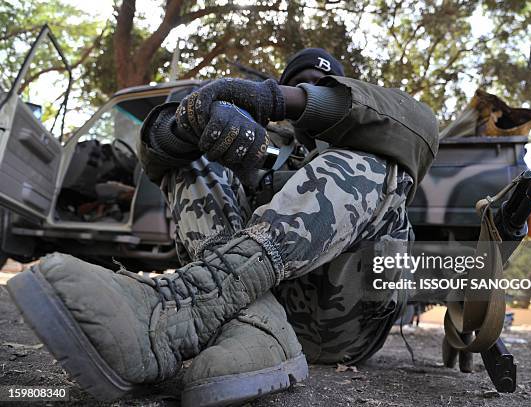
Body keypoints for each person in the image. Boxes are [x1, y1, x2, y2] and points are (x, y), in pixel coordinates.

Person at [7, 48, 438, 406]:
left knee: (366, 165)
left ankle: (183, 307)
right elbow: (157, 154)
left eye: (314, 92)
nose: (303, 104)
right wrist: (189, 127)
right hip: (244, 323)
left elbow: (419, 126)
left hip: (343, 326)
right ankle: (253, 325)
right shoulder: (267, 145)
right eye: (298, 83)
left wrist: (274, 98)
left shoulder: (382, 139)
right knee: (190, 156)